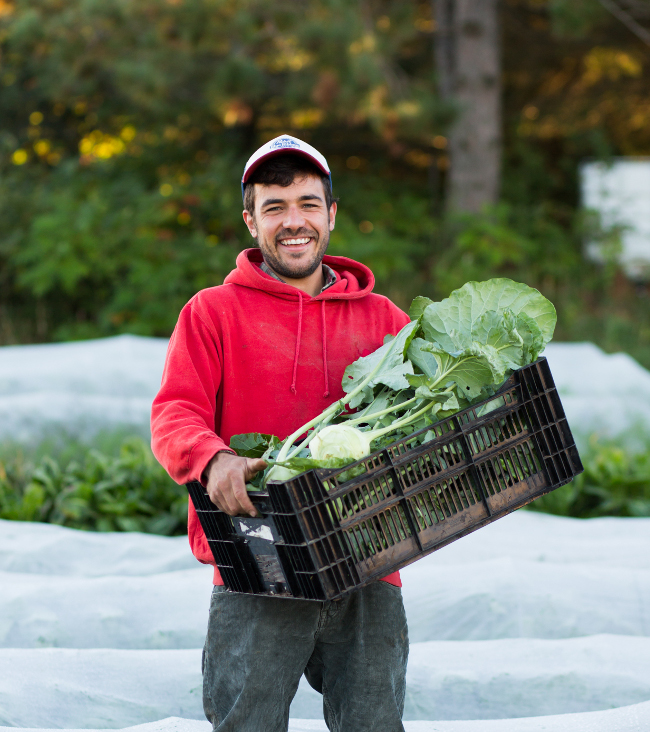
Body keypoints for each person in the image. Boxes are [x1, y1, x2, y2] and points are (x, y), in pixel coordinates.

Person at [151, 134, 410, 732]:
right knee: (249, 723)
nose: (294, 222)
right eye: (275, 208)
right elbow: (175, 413)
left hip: (367, 552)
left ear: (332, 215)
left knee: (374, 723)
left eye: (308, 204)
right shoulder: (212, 312)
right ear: (251, 222)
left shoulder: (384, 320)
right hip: (256, 549)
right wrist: (213, 460)